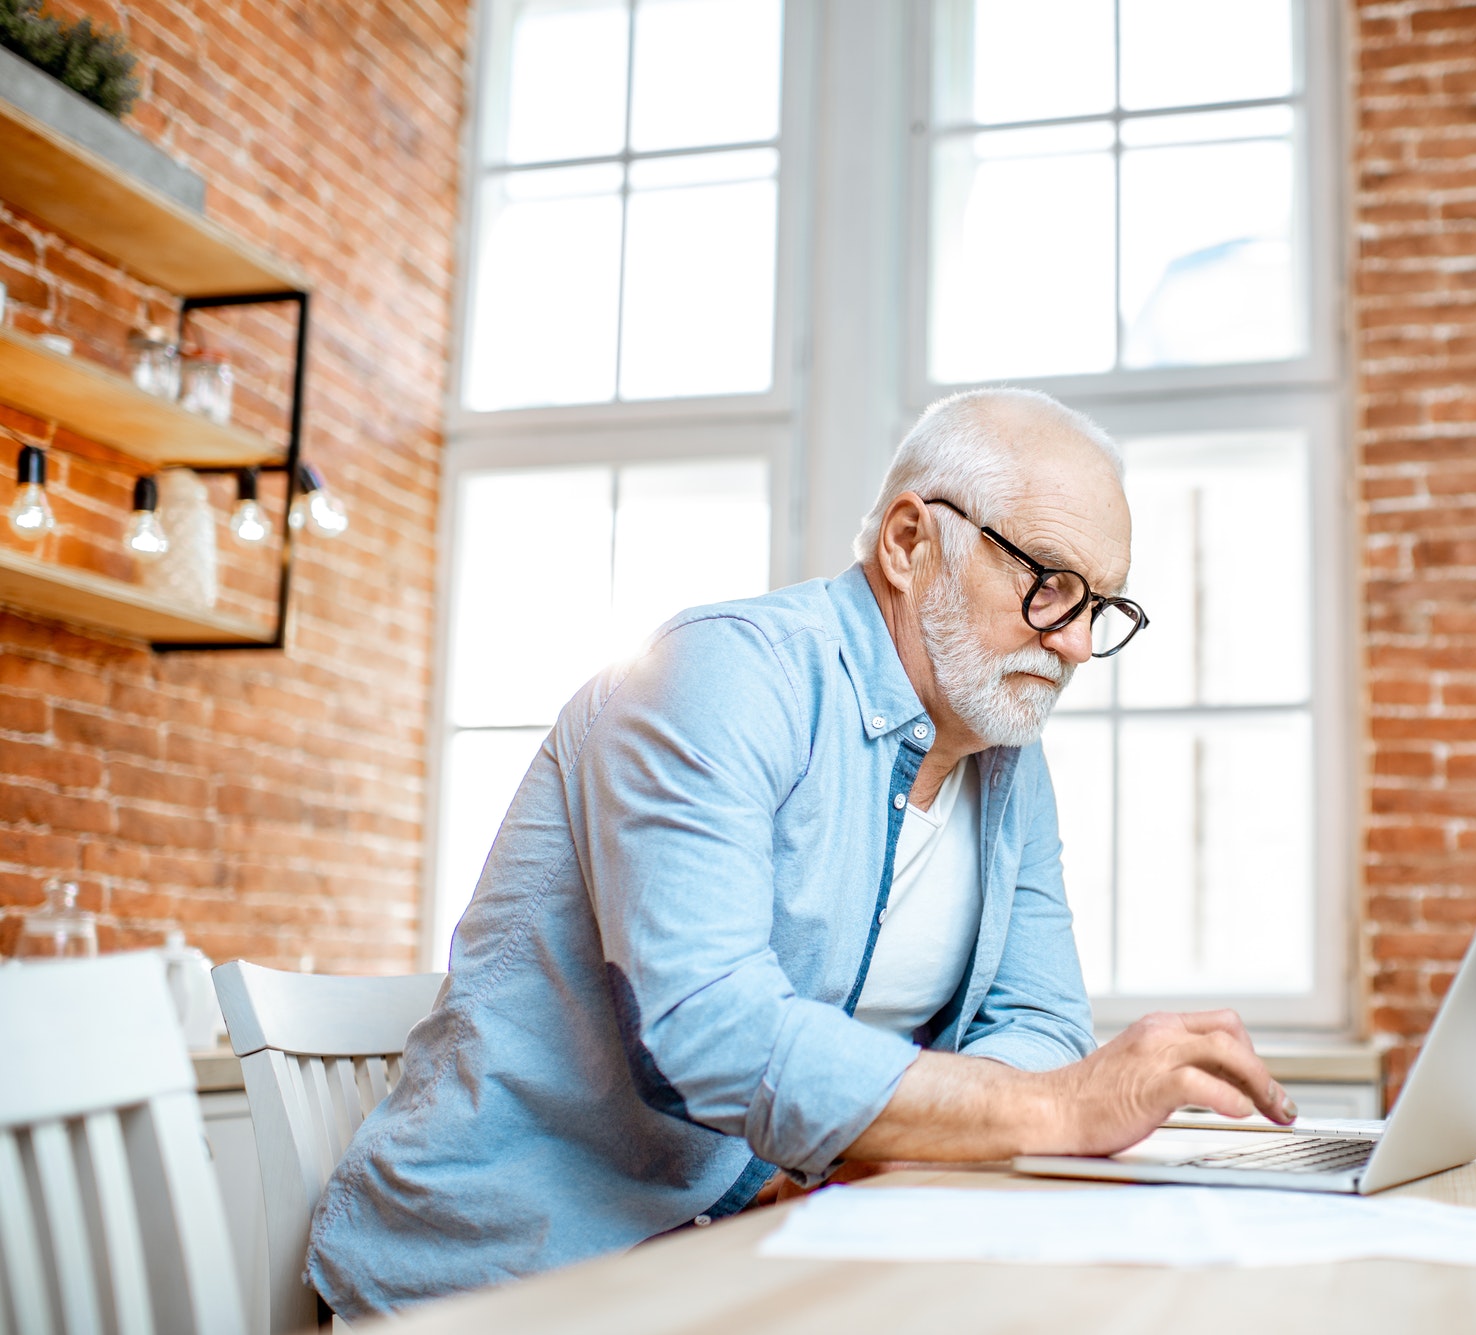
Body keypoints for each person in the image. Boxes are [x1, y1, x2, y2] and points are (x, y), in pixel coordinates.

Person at [307, 388, 1295, 1318]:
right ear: (911, 541)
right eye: (1048, 584)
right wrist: (1047, 1111)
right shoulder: (721, 674)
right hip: (517, 1276)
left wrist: (948, 1124)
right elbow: (715, 1033)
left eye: (1100, 608)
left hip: (743, 1250)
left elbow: (1037, 1017)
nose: (1075, 645)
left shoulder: (1003, 759)